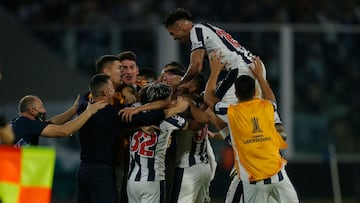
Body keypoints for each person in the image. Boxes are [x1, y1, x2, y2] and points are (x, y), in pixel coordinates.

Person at [204, 54, 299, 202]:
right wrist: (260, 76)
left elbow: (209, 100)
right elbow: (271, 97)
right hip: (279, 177)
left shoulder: (232, 112)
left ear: (236, 94)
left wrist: (215, 71)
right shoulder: (268, 107)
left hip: (254, 184)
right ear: (255, 92)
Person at [76, 74, 177, 203]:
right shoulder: (114, 114)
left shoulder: (83, 107)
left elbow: (84, 98)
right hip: (102, 172)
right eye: (112, 87)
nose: (115, 90)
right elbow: (152, 116)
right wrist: (144, 114)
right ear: (106, 92)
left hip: (83, 169)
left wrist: (137, 127)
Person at [163, 8, 266, 104]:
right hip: (254, 66)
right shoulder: (208, 28)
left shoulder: (196, 30)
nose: (174, 38)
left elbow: (196, 66)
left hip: (240, 69)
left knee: (222, 109)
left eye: (172, 33)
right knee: (254, 111)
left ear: (178, 25)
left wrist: (180, 82)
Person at [126, 83, 189, 203]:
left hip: (133, 180)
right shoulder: (169, 119)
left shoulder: (135, 110)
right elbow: (193, 125)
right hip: (152, 180)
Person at [11, 95, 106, 147]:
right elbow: (65, 131)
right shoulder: (28, 124)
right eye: (41, 107)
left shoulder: (20, 123)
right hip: (13, 177)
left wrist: (74, 109)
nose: (44, 110)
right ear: (32, 111)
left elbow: (51, 123)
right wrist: (89, 112)